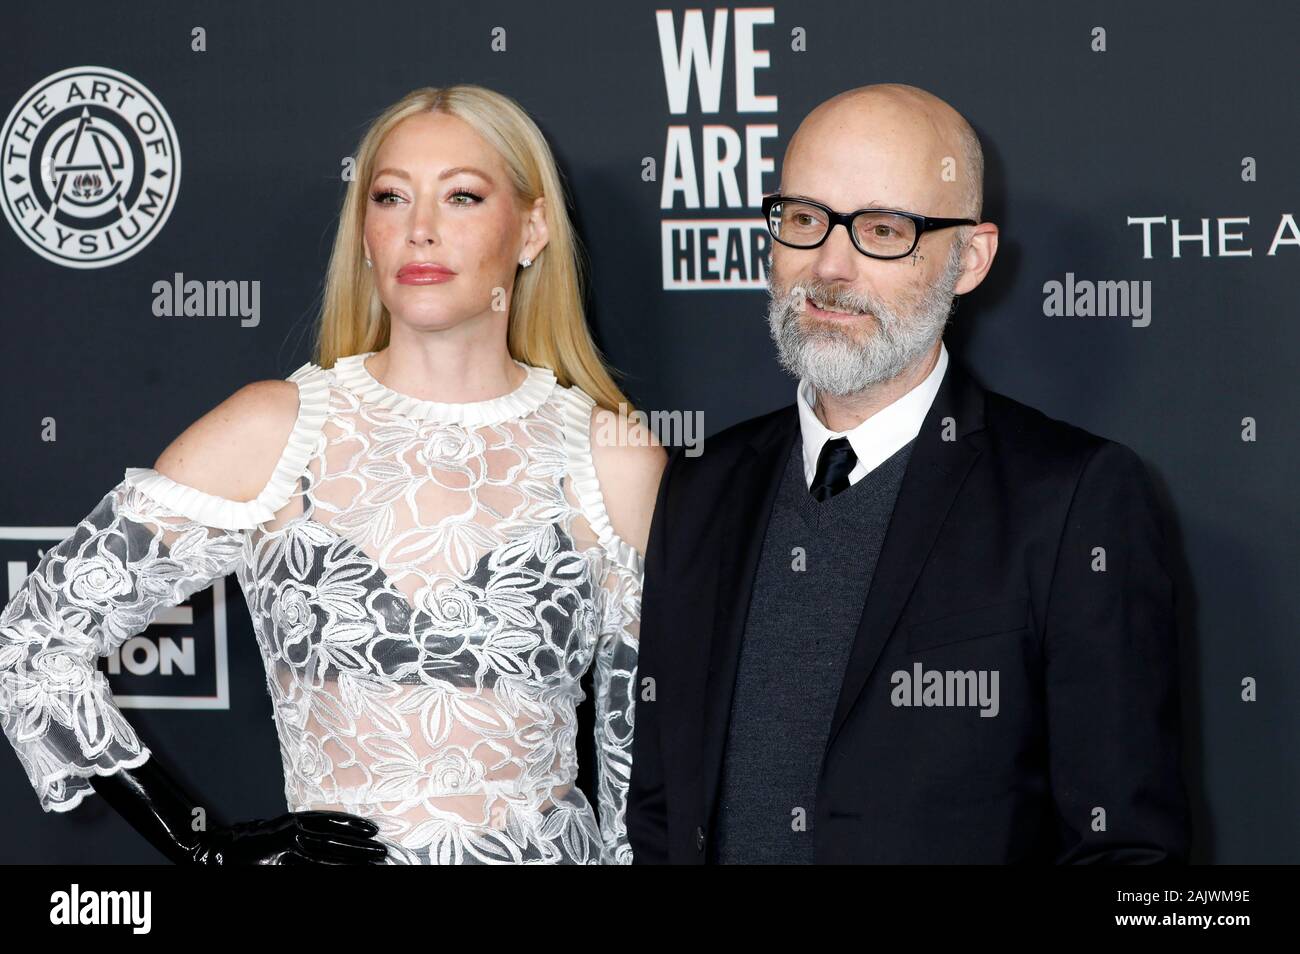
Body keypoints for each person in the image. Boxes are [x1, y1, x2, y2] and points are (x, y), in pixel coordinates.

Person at [0, 84, 665, 865]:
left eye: (461, 196)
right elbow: (35, 639)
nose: (420, 230)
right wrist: (204, 843)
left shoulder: (611, 455)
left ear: (531, 228)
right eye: (390, 197)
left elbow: (642, 773)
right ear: (365, 233)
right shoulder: (273, 431)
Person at [626, 83, 1191, 864]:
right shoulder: (701, 488)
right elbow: (659, 808)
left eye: (884, 230)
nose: (830, 266)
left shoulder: (1072, 500)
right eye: (803, 220)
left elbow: (1124, 851)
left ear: (970, 258)